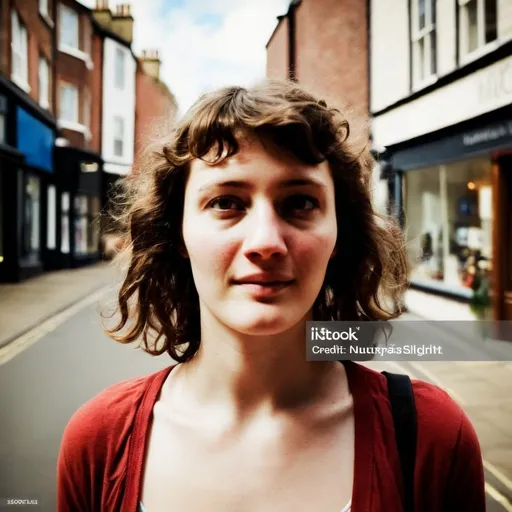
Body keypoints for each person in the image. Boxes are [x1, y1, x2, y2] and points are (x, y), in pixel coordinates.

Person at [56, 80, 486, 512]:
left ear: (339, 233)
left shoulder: (431, 436)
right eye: (226, 202)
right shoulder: (100, 439)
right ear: (178, 232)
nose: (265, 241)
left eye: (299, 202)